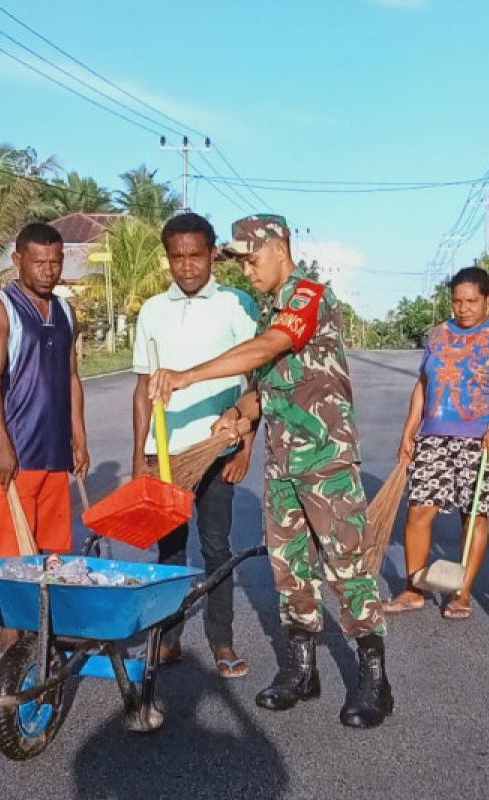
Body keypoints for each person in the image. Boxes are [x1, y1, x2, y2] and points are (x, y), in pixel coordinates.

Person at [148, 214, 391, 728]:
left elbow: (269, 348)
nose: (247, 272)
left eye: (252, 260)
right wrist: (238, 415)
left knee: (346, 567)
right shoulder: (269, 311)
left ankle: (374, 681)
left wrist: (188, 376)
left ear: (280, 247)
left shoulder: (307, 298)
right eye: (239, 263)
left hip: (325, 461)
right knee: (290, 570)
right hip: (281, 463)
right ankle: (302, 671)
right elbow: (269, 386)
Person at [131, 213, 259, 679]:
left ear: (211, 255)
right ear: (168, 257)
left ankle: (222, 641)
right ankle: (167, 638)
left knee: (216, 547)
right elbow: (142, 386)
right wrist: (139, 456)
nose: (186, 265)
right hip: (165, 453)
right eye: (177, 256)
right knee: (169, 552)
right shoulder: (151, 311)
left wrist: (244, 448)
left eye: (196, 255)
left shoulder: (237, 304)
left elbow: (255, 381)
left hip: (217, 450)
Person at [383, 267, 489, 620]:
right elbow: (422, 385)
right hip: (433, 435)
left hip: (481, 437)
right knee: (419, 509)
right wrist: (409, 429)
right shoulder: (437, 335)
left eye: (471, 301)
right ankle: (413, 589)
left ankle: (462, 593)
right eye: (457, 301)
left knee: (473, 514)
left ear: (487, 299)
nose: (463, 308)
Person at [0, 223, 89, 646]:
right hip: (16, 460)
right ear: (17, 260)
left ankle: (45, 657)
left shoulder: (64, 311)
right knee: (16, 571)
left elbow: (72, 376)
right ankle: (12, 669)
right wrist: (1, 446)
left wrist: (79, 436)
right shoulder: (0, 308)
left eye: (55, 261)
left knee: (53, 560)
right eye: (39, 261)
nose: (48, 270)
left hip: (55, 457)